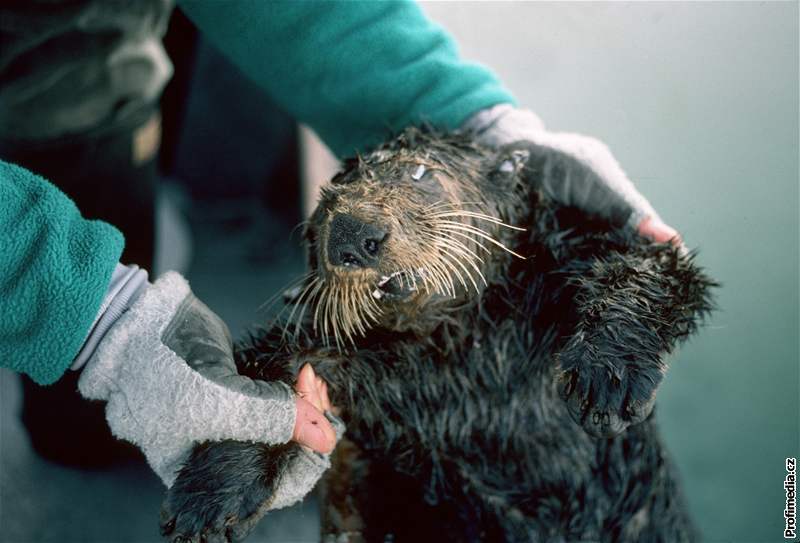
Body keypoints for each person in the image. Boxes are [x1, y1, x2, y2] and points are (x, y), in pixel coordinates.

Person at [0, 0, 680, 496]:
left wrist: (474, 117)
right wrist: (94, 317)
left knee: (90, 427)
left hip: (67, 54)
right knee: (84, 429)